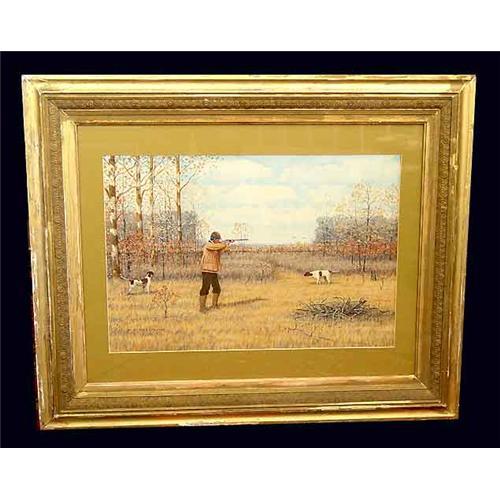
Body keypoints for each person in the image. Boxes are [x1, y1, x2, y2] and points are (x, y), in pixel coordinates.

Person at [199, 231, 230, 312]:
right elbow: (218, 247)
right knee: (205, 288)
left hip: (213, 270)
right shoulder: (209, 245)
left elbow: (223, 250)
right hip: (207, 270)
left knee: (217, 288)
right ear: (214, 239)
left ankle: (214, 305)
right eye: (218, 239)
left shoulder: (216, 246)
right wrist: (224, 243)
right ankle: (202, 308)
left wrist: (228, 244)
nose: (219, 240)